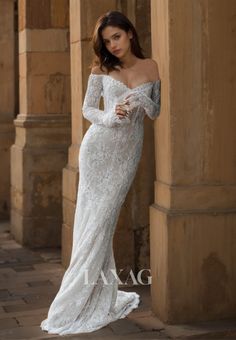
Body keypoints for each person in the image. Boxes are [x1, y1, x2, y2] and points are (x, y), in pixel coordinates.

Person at [40, 10, 161, 336]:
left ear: (130, 34)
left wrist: (138, 101)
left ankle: (96, 294)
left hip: (126, 155)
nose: (113, 45)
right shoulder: (102, 68)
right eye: (107, 41)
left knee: (103, 223)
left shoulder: (150, 67)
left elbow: (156, 110)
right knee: (93, 224)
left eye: (117, 37)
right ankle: (74, 302)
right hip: (98, 149)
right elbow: (88, 109)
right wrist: (112, 115)